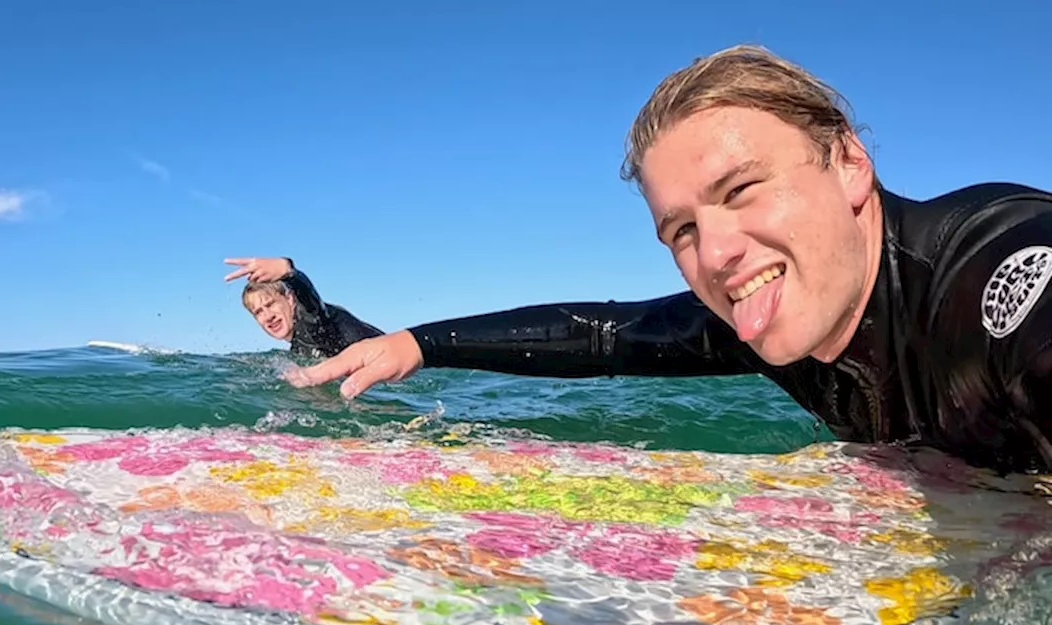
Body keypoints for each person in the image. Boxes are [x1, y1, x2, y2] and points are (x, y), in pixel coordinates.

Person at [285, 44, 1052, 476]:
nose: (716, 253)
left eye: (744, 188)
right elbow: (605, 335)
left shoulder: (987, 272)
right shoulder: (769, 316)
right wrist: (417, 344)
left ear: (848, 162)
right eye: (680, 230)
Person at [224, 256, 384, 359]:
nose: (268, 316)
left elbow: (309, 299)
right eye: (258, 312)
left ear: (290, 299)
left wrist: (288, 272)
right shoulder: (299, 344)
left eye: (270, 304)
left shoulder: (311, 322)